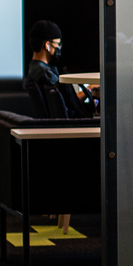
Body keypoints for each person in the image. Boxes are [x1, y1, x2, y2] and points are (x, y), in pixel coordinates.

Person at [23, 19, 82, 234]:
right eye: (57, 43)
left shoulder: (34, 71)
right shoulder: (46, 75)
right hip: (72, 132)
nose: (59, 48)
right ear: (47, 45)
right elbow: (71, 102)